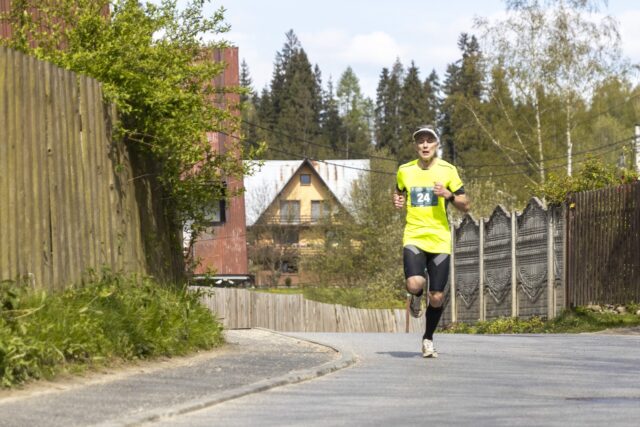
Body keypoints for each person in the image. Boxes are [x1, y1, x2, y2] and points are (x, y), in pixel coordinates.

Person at [393, 125, 470, 358]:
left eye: (429, 141)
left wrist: (449, 195)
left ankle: (428, 338)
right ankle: (416, 298)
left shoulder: (448, 170)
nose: (425, 145)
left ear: (437, 145)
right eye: (420, 141)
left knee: (437, 296)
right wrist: (396, 202)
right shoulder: (404, 170)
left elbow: (465, 204)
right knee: (414, 284)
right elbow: (398, 193)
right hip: (414, 235)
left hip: (439, 240)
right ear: (416, 146)